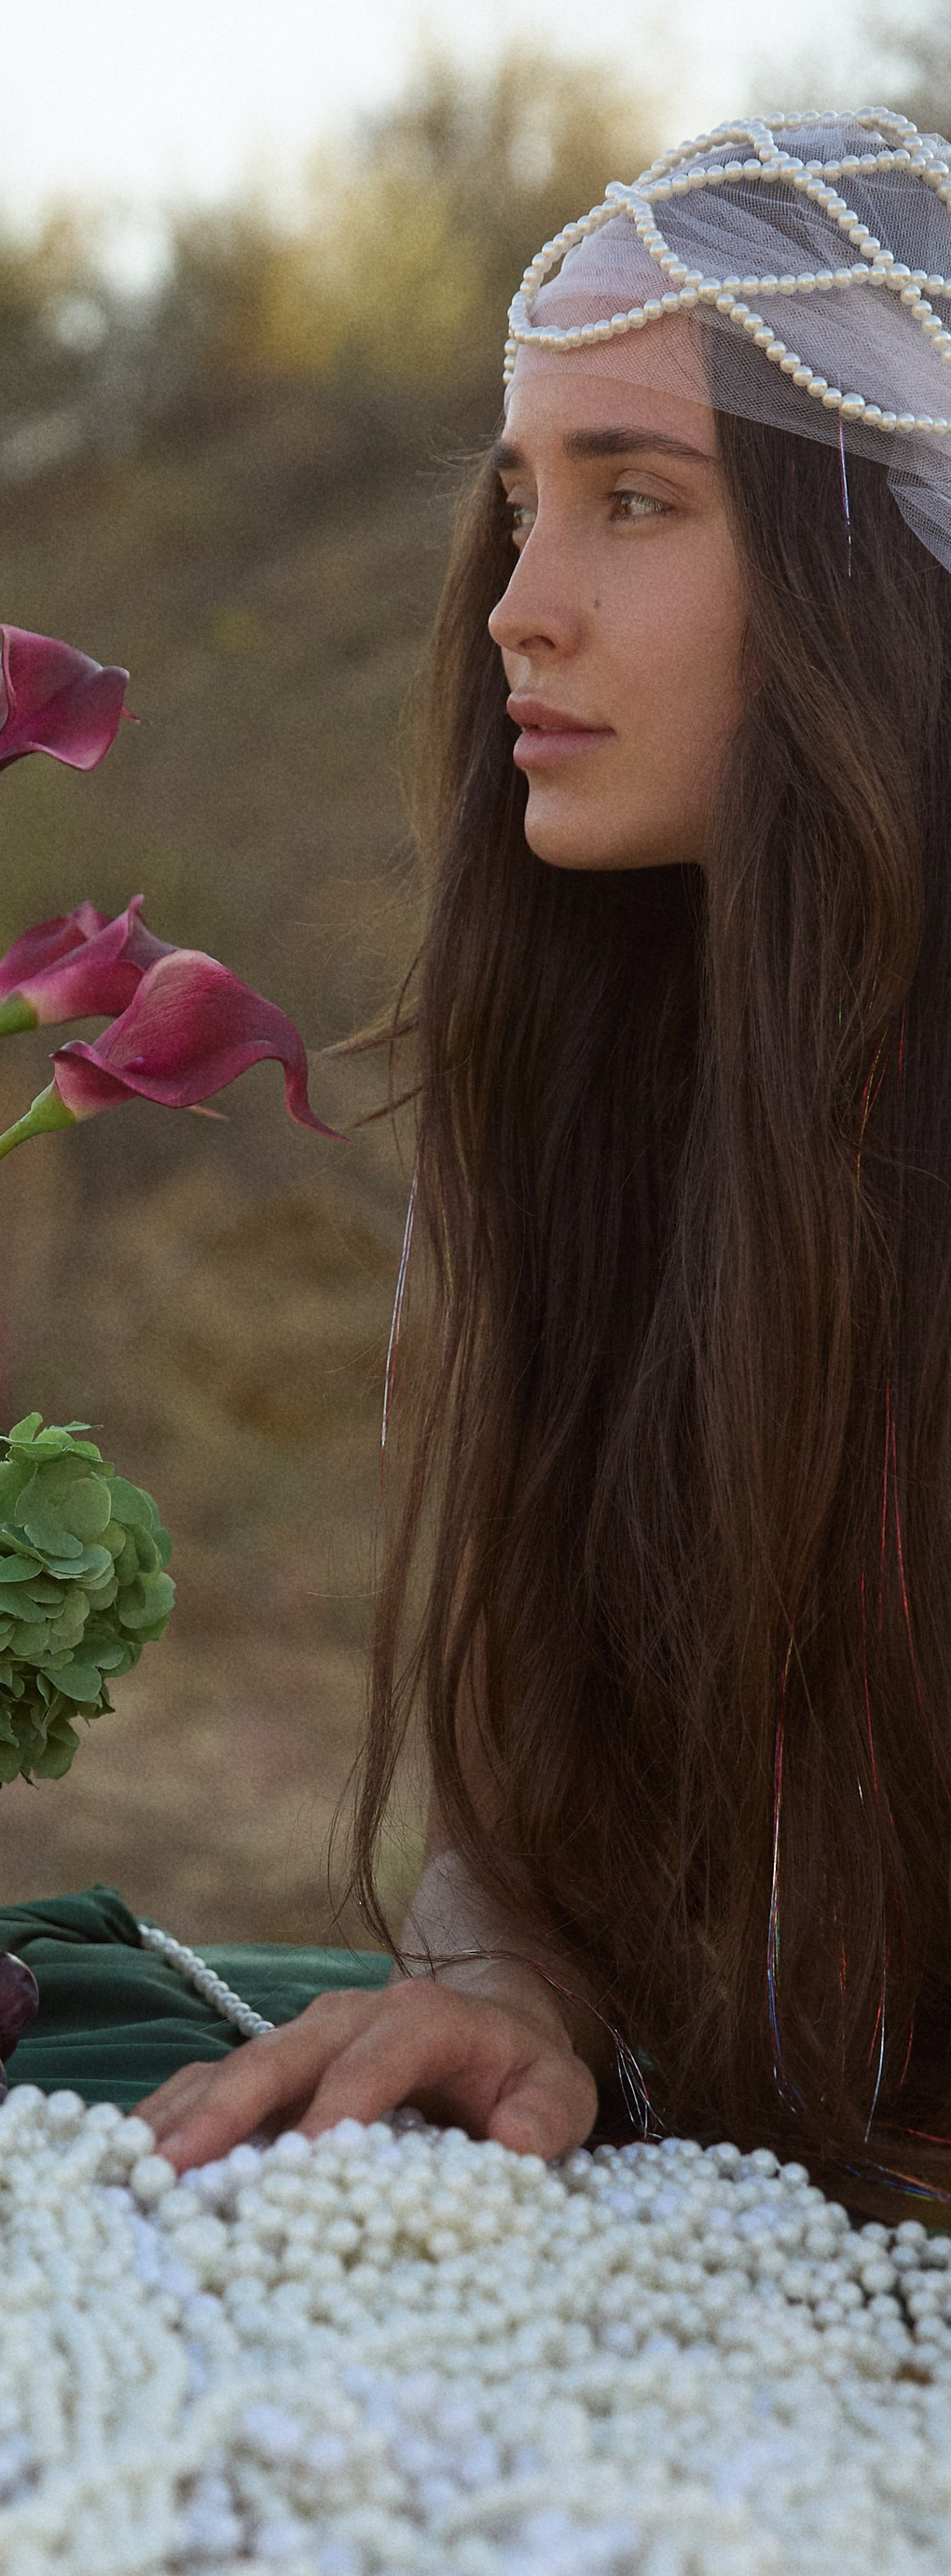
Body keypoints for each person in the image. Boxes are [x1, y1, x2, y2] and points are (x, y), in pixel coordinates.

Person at [145, 110, 951, 2198]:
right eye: (520, 502)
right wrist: (512, 1978)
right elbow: (551, 1804)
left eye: (635, 500)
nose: (521, 607)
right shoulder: (608, 1084)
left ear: (885, 561)